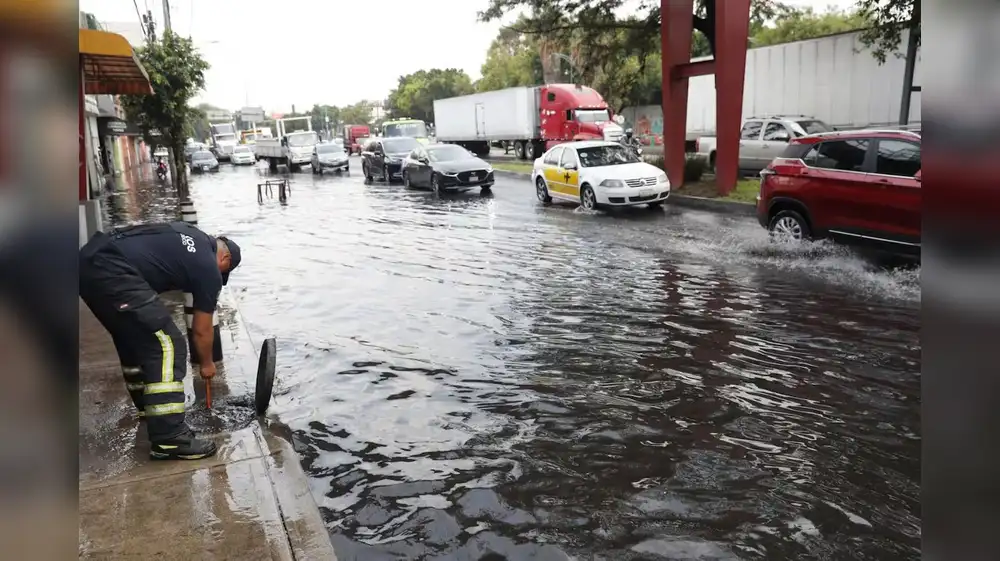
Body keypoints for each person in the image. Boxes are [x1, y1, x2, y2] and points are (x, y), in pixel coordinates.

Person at [79, 222, 242, 461]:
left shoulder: (191, 234)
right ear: (225, 256)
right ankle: (169, 437)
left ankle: (150, 409)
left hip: (89, 261)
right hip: (113, 269)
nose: (220, 276)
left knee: (133, 339)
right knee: (168, 344)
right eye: (224, 270)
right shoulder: (208, 266)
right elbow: (201, 329)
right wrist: (207, 363)